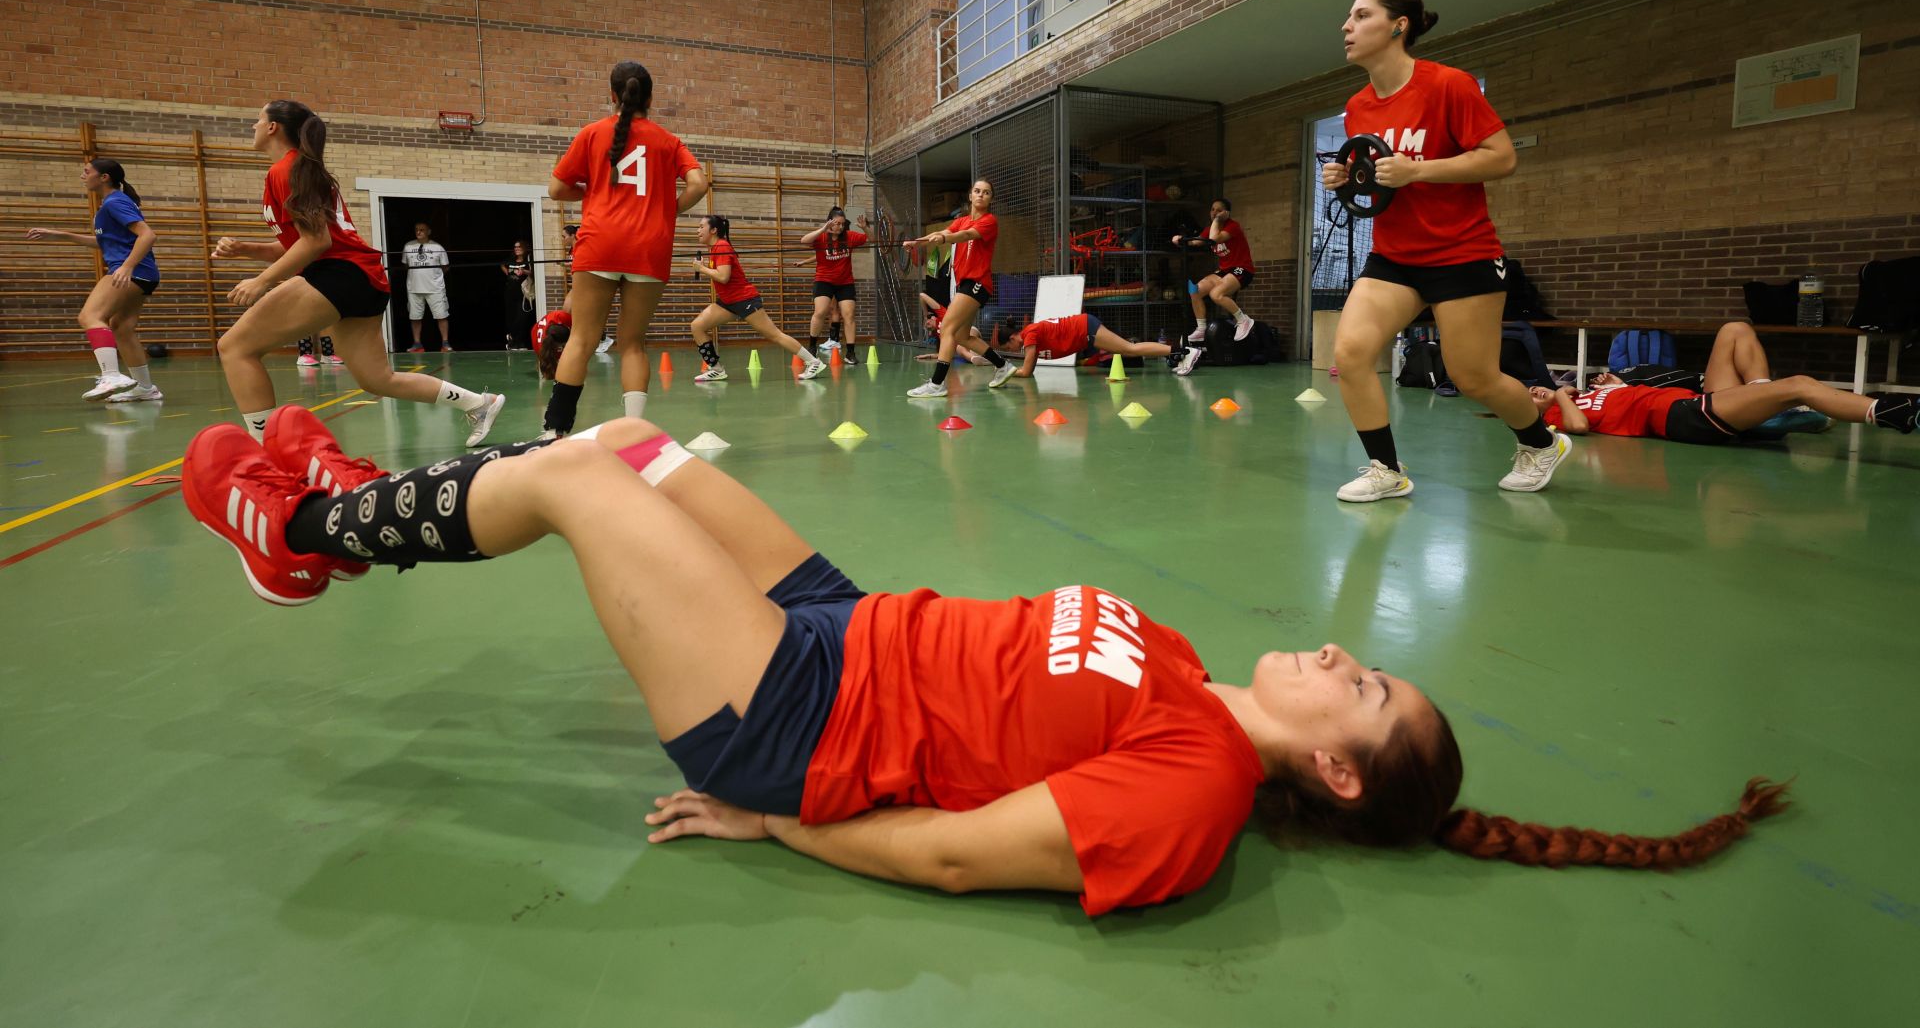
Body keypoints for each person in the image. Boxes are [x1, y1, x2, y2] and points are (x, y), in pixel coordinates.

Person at [180, 405, 1792, 914]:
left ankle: (302, 530)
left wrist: (779, 817)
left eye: (1360, 684)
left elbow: (957, 854)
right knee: (638, 441)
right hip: (849, 629)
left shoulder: (1196, 792)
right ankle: (366, 505)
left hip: (795, 721)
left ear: (1338, 766)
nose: (1338, 650)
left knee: (567, 487)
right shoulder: (1179, 665)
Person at [1321, 0, 1566, 503]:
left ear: (1398, 25)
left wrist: (1419, 171)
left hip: (1463, 253)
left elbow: (1501, 157)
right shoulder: (1357, 107)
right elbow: (1379, 176)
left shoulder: (1449, 85)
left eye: (1361, 15)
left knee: (1474, 377)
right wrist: (1348, 179)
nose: (1346, 26)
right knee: (1352, 352)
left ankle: (1541, 443)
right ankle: (1386, 469)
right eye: (1348, 17)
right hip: (1393, 256)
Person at [211, 99, 504, 446]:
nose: (253, 127)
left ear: (273, 127)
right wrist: (248, 250)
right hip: (361, 278)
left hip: (339, 275)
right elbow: (307, 242)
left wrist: (262, 281)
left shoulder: (285, 171)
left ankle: (268, 450)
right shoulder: (299, 169)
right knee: (377, 380)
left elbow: (316, 242)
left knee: (235, 347)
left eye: (257, 120)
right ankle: (479, 404)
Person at [542, 60, 711, 437]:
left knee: (583, 338)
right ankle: (634, 430)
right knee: (633, 343)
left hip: (600, 243)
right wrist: (668, 209)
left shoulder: (591, 133)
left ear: (613, 96)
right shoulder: (669, 141)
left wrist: (590, 191)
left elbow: (556, 189)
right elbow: (698, 184)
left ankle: (555, 429)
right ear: (650, 98)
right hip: (649, 248)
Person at [1537, 322, 1915, 442]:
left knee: (1734, 330)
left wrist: (1615, 385)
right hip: (1683, 417)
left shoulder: (1583, 395)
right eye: (1529, 395)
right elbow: (1579, 428)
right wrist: (1559, 394)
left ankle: (1761, 403)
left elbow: (1623, 401)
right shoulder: (1555, 414)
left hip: (1692, 399)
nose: (1533, 389)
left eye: (1531, 387)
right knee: (1798, 384)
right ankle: (1898, 413)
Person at [23, 157, 164, 402]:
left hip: (131, 271)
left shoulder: (115, 202)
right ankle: (145, 388)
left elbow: (147, 235)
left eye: (86, 171)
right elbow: (106, 242)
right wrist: (61, 235)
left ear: (104, 177)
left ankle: (111, 375)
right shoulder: (110, 205)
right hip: (144, 274)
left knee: (90, 316)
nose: (82, 176)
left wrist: (127, 267)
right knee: (122, 327)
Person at [905, 180, 1015, 397]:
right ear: (970, 195)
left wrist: (944, 238)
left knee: (946, 328)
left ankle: (937, 384)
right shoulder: (961, 220)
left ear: (990, 199)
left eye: (986, 193)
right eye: (977, 191)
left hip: (977, 283)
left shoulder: (989, 221)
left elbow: (964, 236)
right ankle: (1003, 366)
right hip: (966, 283)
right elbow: (946, 231)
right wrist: (917, 242)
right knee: (962, 336)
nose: (981, 195)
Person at [689, 215, 826, 384]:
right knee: (697, 326)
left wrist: (701, 268)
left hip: (744, 300)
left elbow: (723, 277)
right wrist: (703, 267)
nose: (697, 230)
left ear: (713, 230)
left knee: (774, 334)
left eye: (701, 226)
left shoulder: (722, 246)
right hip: (727, 302)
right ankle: (716, 369)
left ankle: (813, 362)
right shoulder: (715, 248)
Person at [1172, 199, 1257, 366]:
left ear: (1227, 213)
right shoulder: (1209, 229)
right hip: (1225, 271)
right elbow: (1196, 241)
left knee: (1216, 294)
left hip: (1242, 269)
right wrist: (1181, 239)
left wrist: (1218, 220)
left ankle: (1243, 320)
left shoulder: (1233, 226)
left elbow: (1214, 239)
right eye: (1212, 210)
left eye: (1219, 210)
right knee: (1193, 289)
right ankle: (1201, 328)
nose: (1214, 213)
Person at [1002, 313, 1174, 381]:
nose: (1012, 351)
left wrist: (1005, 372)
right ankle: (1175, 352)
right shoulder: (1030, 338)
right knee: (1126, 350)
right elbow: (1029, 371)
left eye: (1009, 348)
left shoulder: (1029, 335)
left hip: (1085, 328)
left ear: (1012, 338)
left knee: (1129, 349)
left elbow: (1024, 372)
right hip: (1085, 335)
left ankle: (1176, 351)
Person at [802, 208, 869, 358]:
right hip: (824, 281)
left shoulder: (850, 237)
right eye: (836, 223)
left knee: (849, 315)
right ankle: (812, 347)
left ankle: (850, 352)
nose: (839, 227)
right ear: (829, 222)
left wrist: (865, 227)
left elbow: (871, 239)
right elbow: (804, 240)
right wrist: (823, 229)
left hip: (845, 282)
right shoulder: (821, 238)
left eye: (842, 224)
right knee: (820, 312)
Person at [401, 222, 451, 352]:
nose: (419, 232)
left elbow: (445, 267)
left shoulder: (437, 247)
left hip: (435, 288)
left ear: (429, 231)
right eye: (416, 229)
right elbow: (405, 265)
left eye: (422, 230)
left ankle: (445, 343)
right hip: (414, 288)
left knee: (441, 315)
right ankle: (417, 344)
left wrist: (434, 277)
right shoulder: (408, 246)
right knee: (415, 317)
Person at [501, 240, 536, 351]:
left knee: (522, 318)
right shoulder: (511, 259)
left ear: (524, 248)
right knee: (511, 317)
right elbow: (502, 264)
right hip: (510, 293)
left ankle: (519, 341)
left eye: (519, 247)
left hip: (523, 293)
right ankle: (513, 342)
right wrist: (507, 272)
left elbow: (533, 272)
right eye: (515, 247)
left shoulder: (528, 259)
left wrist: (523, 271)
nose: (517, 249)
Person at [532, 308, 572, 381]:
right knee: (549, 360)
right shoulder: (540, 346)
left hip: (554, 319)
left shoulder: (561, 316)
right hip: (535, 330)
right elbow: (545, 361)